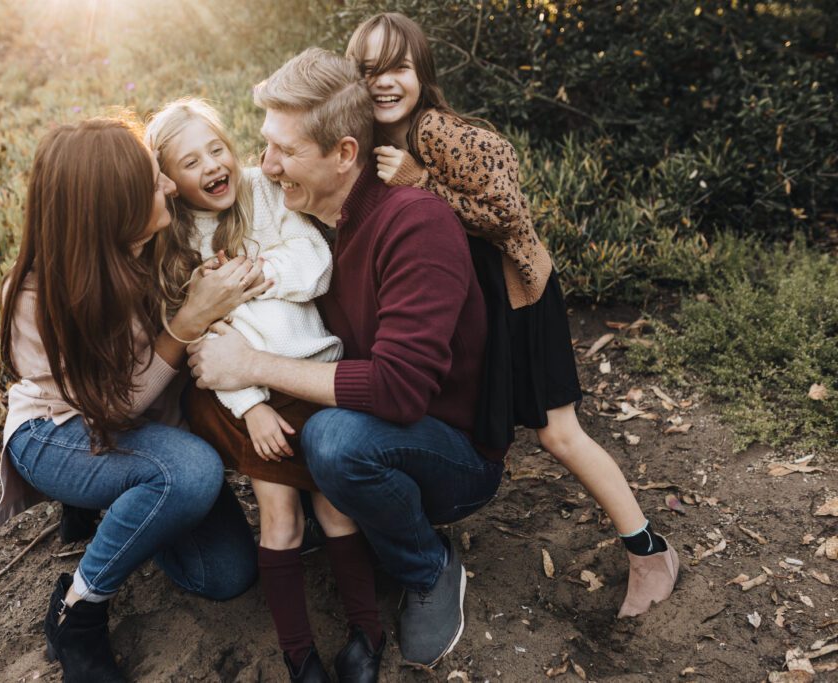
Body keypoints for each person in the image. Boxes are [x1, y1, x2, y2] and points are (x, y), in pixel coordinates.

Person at [345, 11, 680, 620]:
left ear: (421, 68)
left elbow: (508, 214)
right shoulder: (374, 140)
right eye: (368, 70)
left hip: (521, 301)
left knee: (558, 433)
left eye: (397, 66)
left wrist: (418, 180)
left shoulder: (439, 132)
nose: (384, 82)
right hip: (477, 309)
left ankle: (650, 550)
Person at [187, 48, 504, 669]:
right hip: (375, 426)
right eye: (263, 145)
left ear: (345, 154)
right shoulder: (316, 221)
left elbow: (400, 391)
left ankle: (428, 565)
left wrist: (251, 366)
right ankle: (323, 514)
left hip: (450, 456)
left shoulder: (416, 224)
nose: (266, 166)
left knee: (334, 440)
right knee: (209, 381)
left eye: (285, 152)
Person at [0, 117, 268, 682]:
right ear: (112, 207)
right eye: (153, 183)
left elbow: (238, 183)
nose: (170, 186)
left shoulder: (156, 241)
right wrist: (191, 318)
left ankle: (124, 504)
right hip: (61, 431)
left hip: (150, 428)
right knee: (188, 472)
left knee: (225, 576)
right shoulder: (38, 295)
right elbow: (112, 409)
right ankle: (80, 613)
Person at [144, 98, 384, 683]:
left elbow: (315, 261)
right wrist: (250, 408)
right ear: (168, 181)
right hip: (249, 396)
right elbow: (207, 350)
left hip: (313, 370)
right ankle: (298, 654)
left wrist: (252, 278)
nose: (210, 166)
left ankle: (366, 631)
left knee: (335, 509)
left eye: (216, 148)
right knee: (280, 519)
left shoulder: (261, 191)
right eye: (189, 161)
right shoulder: (175, 249)